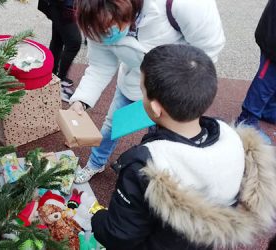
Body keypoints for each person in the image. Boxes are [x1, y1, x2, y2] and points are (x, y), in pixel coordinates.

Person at [89, 44, 276, 250]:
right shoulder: (231, 138)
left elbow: (119, 235)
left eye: (142, 91)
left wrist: (98, 218)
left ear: (155, 108)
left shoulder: (145, 164)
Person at [69, 0, 226, 183]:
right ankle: (96, 163)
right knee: (113, 126)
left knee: (164, 140)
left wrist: (179, 94)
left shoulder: (184, 5)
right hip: (132, 82)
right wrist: (82, 100)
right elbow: (100, 65)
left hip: (172, 89)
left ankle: (158, 179)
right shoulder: (98, 21)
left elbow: (208, 50)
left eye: (108, 26)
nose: (105, 34)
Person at [236, 0, 275, 144]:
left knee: (271, 82)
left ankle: (269, 111)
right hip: (273, 41)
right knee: (266, 81)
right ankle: (247, 120)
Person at [38, 0, 82, 102]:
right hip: (61, 5)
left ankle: (51, 76)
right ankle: (59, 84)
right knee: (74, 43)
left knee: (58, 39)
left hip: (60, 5)